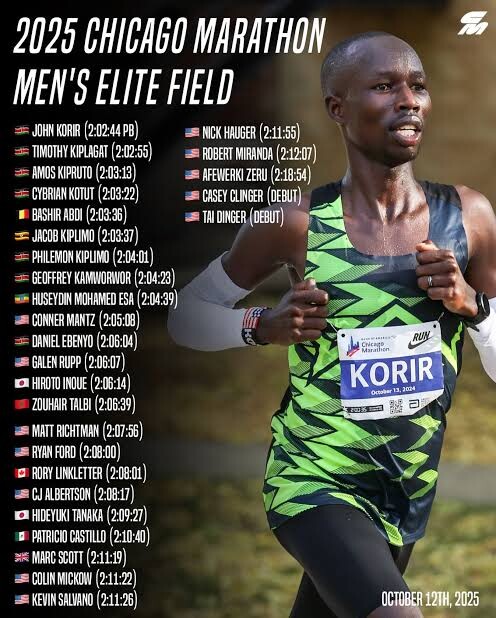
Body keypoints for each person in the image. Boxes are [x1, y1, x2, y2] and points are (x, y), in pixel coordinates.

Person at [168, 31, 496, 618]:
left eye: (418, 86)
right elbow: (184, 318)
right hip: (313, 480)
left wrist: (471, 304)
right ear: (338, 108)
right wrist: (262, 325)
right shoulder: (294, 223)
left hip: (404, 488)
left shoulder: (468, 217)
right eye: (384, 86)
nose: (408, 100)